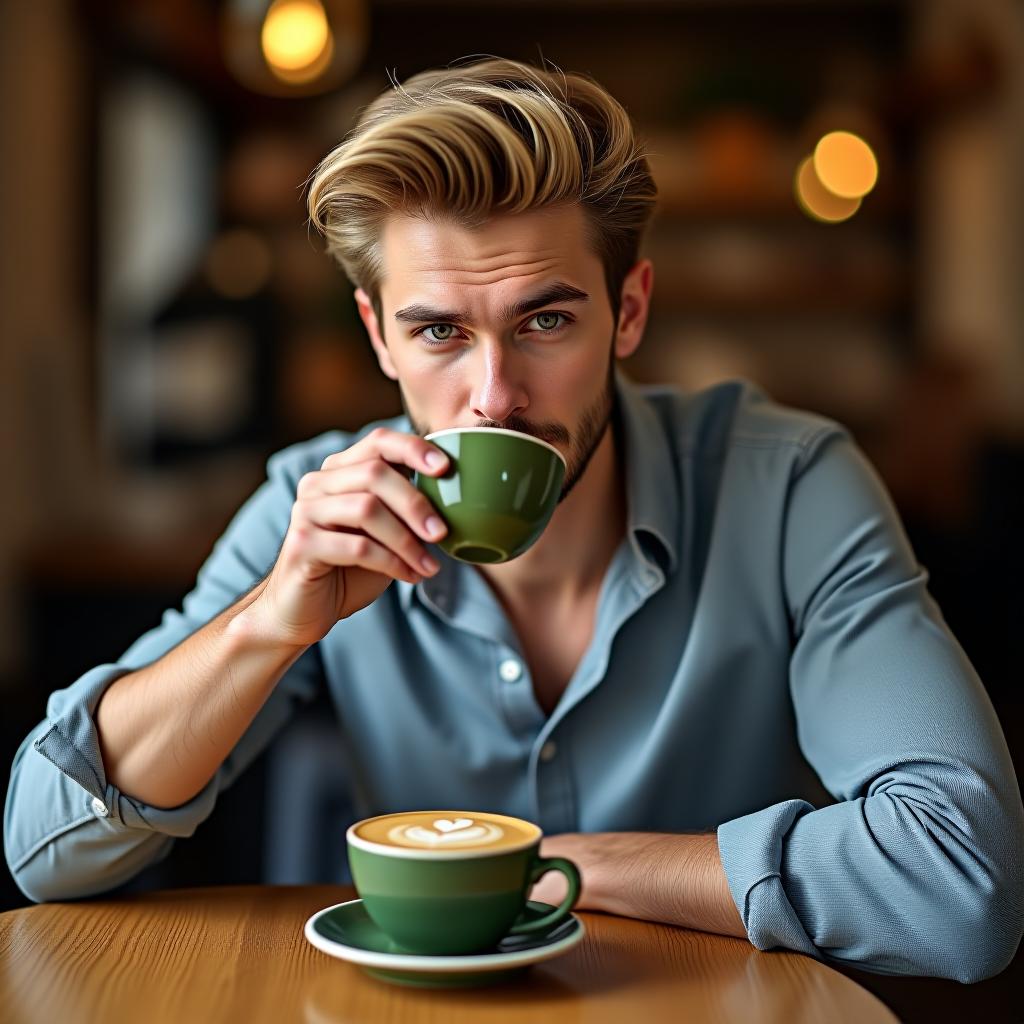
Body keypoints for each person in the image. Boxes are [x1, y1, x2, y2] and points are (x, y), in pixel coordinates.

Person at [4, 57, 1022, 983]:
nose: (491, 395)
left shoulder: (792, 488)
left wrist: (567, 867)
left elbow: (962, 886)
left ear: (628, 311)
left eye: (545, 320)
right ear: (379, 338)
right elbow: (44, 845)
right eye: (439, 331)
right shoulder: (316, 505)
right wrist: (272, 621)